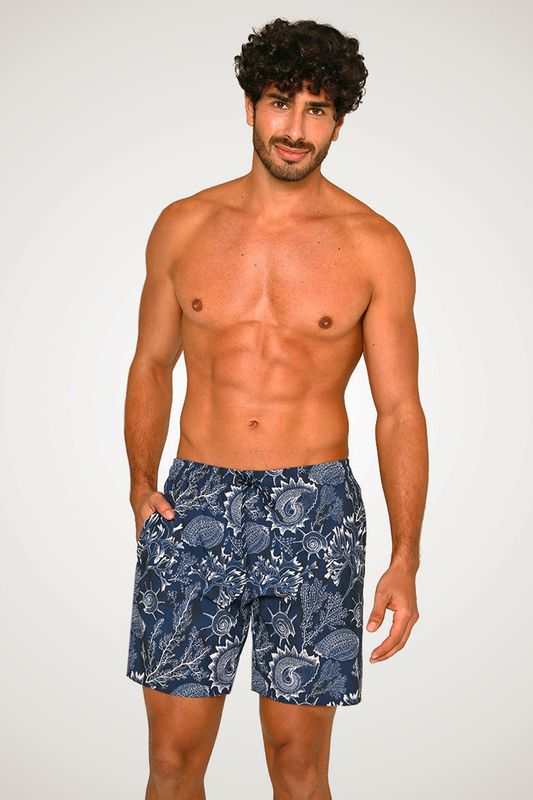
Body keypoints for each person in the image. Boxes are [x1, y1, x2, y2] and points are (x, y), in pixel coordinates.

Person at [124, 16, 428, 800]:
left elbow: (398, 409)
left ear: (338, 122)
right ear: (250, 107)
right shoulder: (184, 225)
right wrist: (140, 480)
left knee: (297, 767)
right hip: (194, 502)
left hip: (316, 512)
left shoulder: (374, 244)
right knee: (170, 762)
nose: (294, 128)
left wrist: (405, 556)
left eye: (316, 109)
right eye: (279, 103)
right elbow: (151, 362)